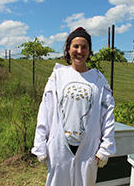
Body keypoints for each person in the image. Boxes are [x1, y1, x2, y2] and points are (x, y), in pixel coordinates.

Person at [31, 27, 116, 186]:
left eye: (84, 47)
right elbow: (45, 110)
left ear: (89, 50)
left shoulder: (98, 80)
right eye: (75, 46)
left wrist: (105, 148)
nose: (79, 51)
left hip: (88, 149)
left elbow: (107, 114)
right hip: (60, 147)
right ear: (68, 49)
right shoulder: (58, 76)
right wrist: (40, 143)